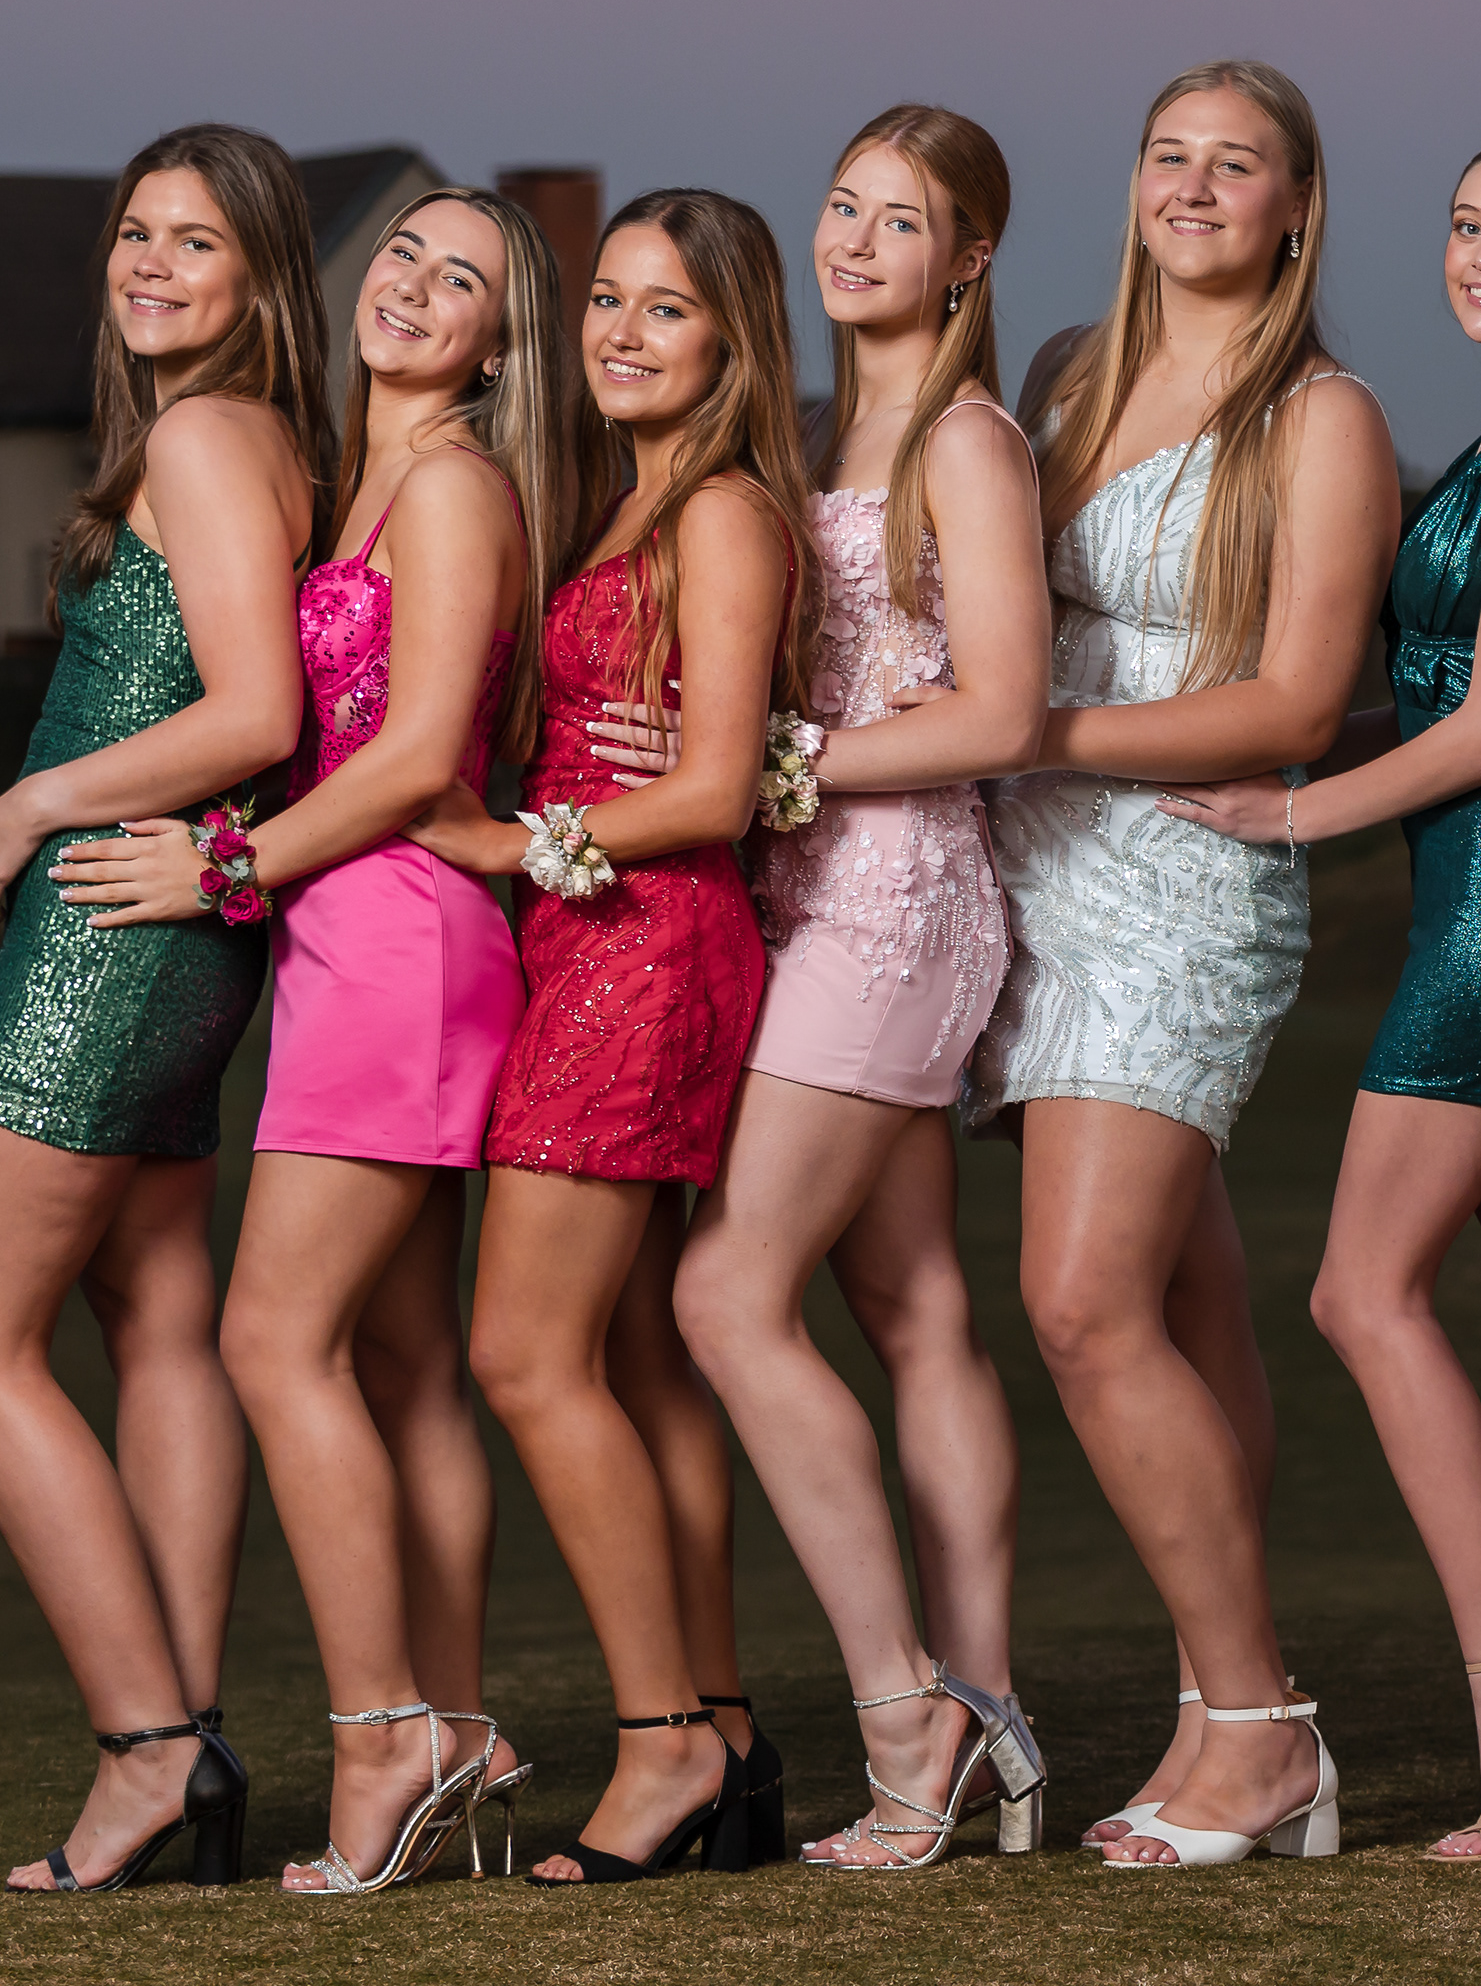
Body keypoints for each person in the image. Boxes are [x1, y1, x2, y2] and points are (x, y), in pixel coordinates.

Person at [52, 185, 576, 1891]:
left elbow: (419, 756)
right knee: (406, 1367)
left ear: (498, 345)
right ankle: (455, 1723)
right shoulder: (361, 481)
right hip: (356, 948)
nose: (413, 287)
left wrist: (230, 864)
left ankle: (383, 1740)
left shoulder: (454, 486)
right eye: (403, 254)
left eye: (461, 279)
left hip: (398, 952)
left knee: (275, 1344)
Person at [1160, 124, 1481, 1861]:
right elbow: (1451, 693)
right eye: (1466, 227)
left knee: (1362, 1293)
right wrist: (1316, 747)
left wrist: (1293, 815)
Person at [968, 59, 1401, 1870]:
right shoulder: (1069, 373)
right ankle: (1217, 1708)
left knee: (1081, 1308)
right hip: (1033, 867)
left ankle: (1266, 1729)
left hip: (1189, 874)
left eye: (1238, 165)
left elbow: (1298, 703)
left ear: (1297, 207)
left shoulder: (1324, 417)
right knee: (1188, 1307)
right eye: (1171, 156)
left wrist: (1031, 728)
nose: (1196, 188)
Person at [0, 122, 325, 1893]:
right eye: (135, 232)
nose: (151, 264)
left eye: (196, 241)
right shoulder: (258, 436)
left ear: (262, 278)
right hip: (177, 934)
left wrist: (31, 802)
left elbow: (256, 711)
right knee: (155, 1325)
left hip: (107, 930)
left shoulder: (210, 434)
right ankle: (194, 1740)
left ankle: (147, 1749)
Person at [651, 108, 1055, 1870]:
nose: (854, 240)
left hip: (893, 899)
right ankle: (992, 1705)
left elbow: (1004, 712)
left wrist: (780, 765)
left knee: (729, 1295)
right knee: (914, 1308)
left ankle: (907, 1716)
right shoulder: (819, 431)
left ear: (968, 258)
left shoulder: (968, 438)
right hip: (808, 882)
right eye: (841, 206)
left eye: (901, 219)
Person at [410, 189, 813, 1884]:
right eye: (608, 303)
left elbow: (714, 791)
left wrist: (516, 839)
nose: (624, 335)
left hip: (646, 951)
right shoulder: (617, 500)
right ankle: (724, 1733)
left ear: (732, 341)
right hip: (593, 938)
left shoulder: (719, 511)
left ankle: (658, 1747)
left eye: (667, 310)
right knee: (640, 1359)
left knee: (523, 1353)